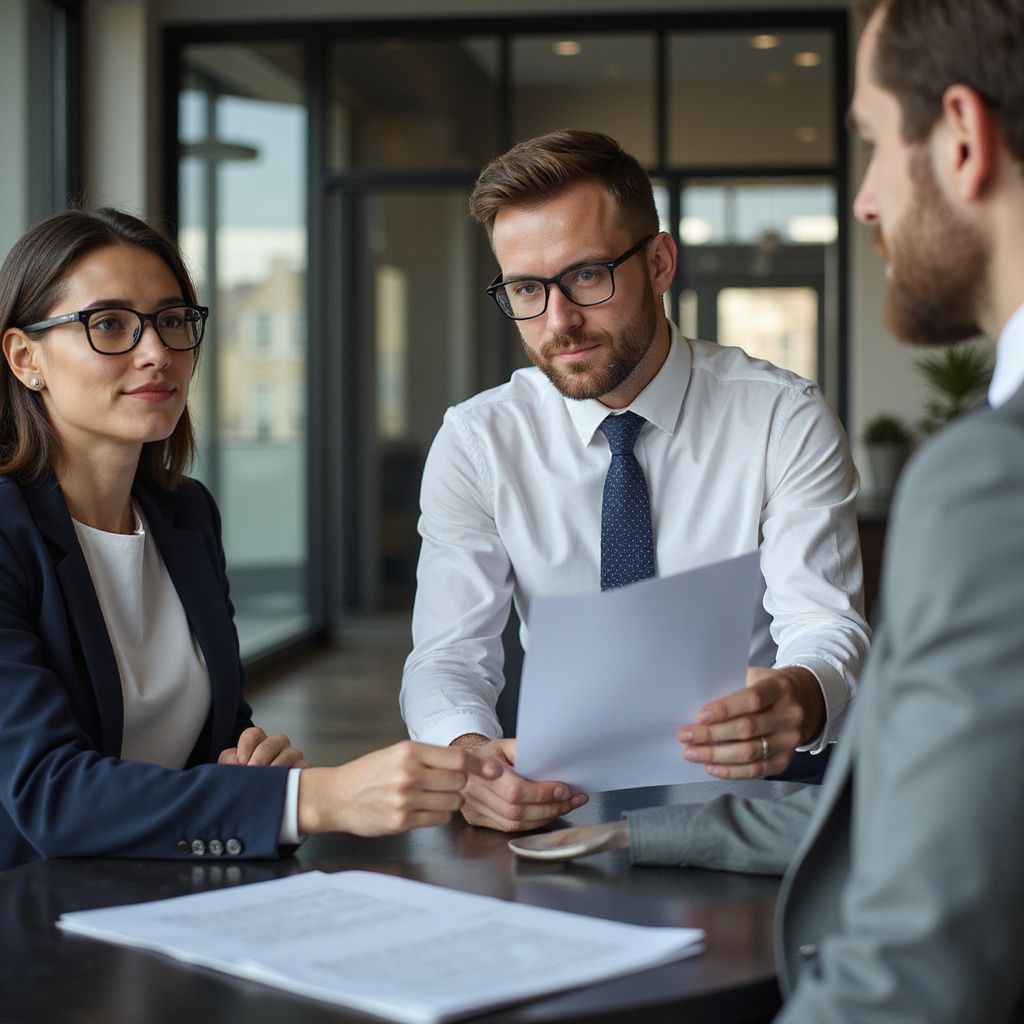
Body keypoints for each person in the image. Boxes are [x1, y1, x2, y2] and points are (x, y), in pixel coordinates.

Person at [549, 1, 1024, 1019]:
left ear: (960, 136)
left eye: (868, 144)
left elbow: (915, 975)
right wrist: (622, 831)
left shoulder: (990, 478)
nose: (861, 200)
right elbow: (910, 806)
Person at [0, 207, 500, 871]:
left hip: (169, 892)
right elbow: (49, 795)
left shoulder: (185, 516)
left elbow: (219, 729)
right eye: (109, 324)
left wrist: (254, 760)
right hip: (32, 926)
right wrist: (308, 798)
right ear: (25, 358)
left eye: (172, 320)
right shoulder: (9, 535)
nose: (157, 352)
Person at [400, 129, 870, 832]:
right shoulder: (478, 442)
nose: (559, 321)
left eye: (587, 275)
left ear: (658, 262)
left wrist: (798, 695)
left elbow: (823, 622)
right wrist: (472, 760)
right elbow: (447, 657)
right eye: (527, 288)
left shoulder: (781, 417)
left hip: (759, 783)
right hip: (556, 787)